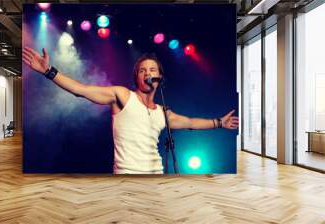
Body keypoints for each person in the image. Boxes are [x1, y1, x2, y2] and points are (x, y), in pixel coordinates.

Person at [22, 47, 239, 174]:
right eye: (142, 70)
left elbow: (190, 122)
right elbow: (81, 90)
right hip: (126, 176)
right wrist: (48, 71)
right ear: (136, 77)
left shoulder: (162, 111)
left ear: (159, 77)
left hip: (156, 174)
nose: (148, 73)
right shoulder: (123, 95)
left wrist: (219, 122)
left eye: (152, 70)